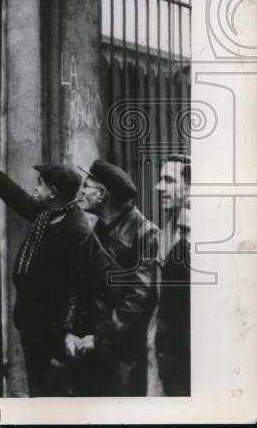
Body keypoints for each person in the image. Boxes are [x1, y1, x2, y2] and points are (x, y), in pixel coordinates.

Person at [0, 144, 112, 397]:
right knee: (38, 391)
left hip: (55, 332)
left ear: (53, 192)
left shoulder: (77, 230)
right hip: (32, 324)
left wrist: (69, 333)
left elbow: (83, 286)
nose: (35, 188)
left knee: (53, 397)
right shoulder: (47, 214)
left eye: (40, 184)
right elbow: (17, 197)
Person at [71, 159, 159, 396]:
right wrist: (72, 332)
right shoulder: (98, 229)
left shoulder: (146, 234)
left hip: (123, 357)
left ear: (101, 194)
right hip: (90, 347)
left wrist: (99, 339)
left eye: (85, 185)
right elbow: (80, 285)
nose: (80, 191)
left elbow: (136, 300)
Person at [154, 154, 191, 395]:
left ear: (190, 187)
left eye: (168, 180)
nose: (159, 187)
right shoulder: (165, 233)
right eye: (160, 180)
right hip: (170, 359)